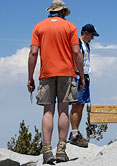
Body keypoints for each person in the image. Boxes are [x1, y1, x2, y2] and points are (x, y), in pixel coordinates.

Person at [27, 0, 85, 164]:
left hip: (46, 74)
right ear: (63, 12)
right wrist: (81, 75)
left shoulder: (38, 26)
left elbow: (33, 53)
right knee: (64, 110)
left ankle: (47, 152)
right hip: (66, 72)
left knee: (48, 111)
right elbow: (76, 51)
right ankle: (61, 151)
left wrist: (30, 77)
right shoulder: (70, 27)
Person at [69, 24, 99, 148]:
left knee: (81, 105)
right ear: (85, 33)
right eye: (91, 35)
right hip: (77, 76)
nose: (92, 38)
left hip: (85, 77)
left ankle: (76, 131)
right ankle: (74, 133)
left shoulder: (86, 45)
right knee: (76, 104)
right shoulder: (77, 43)